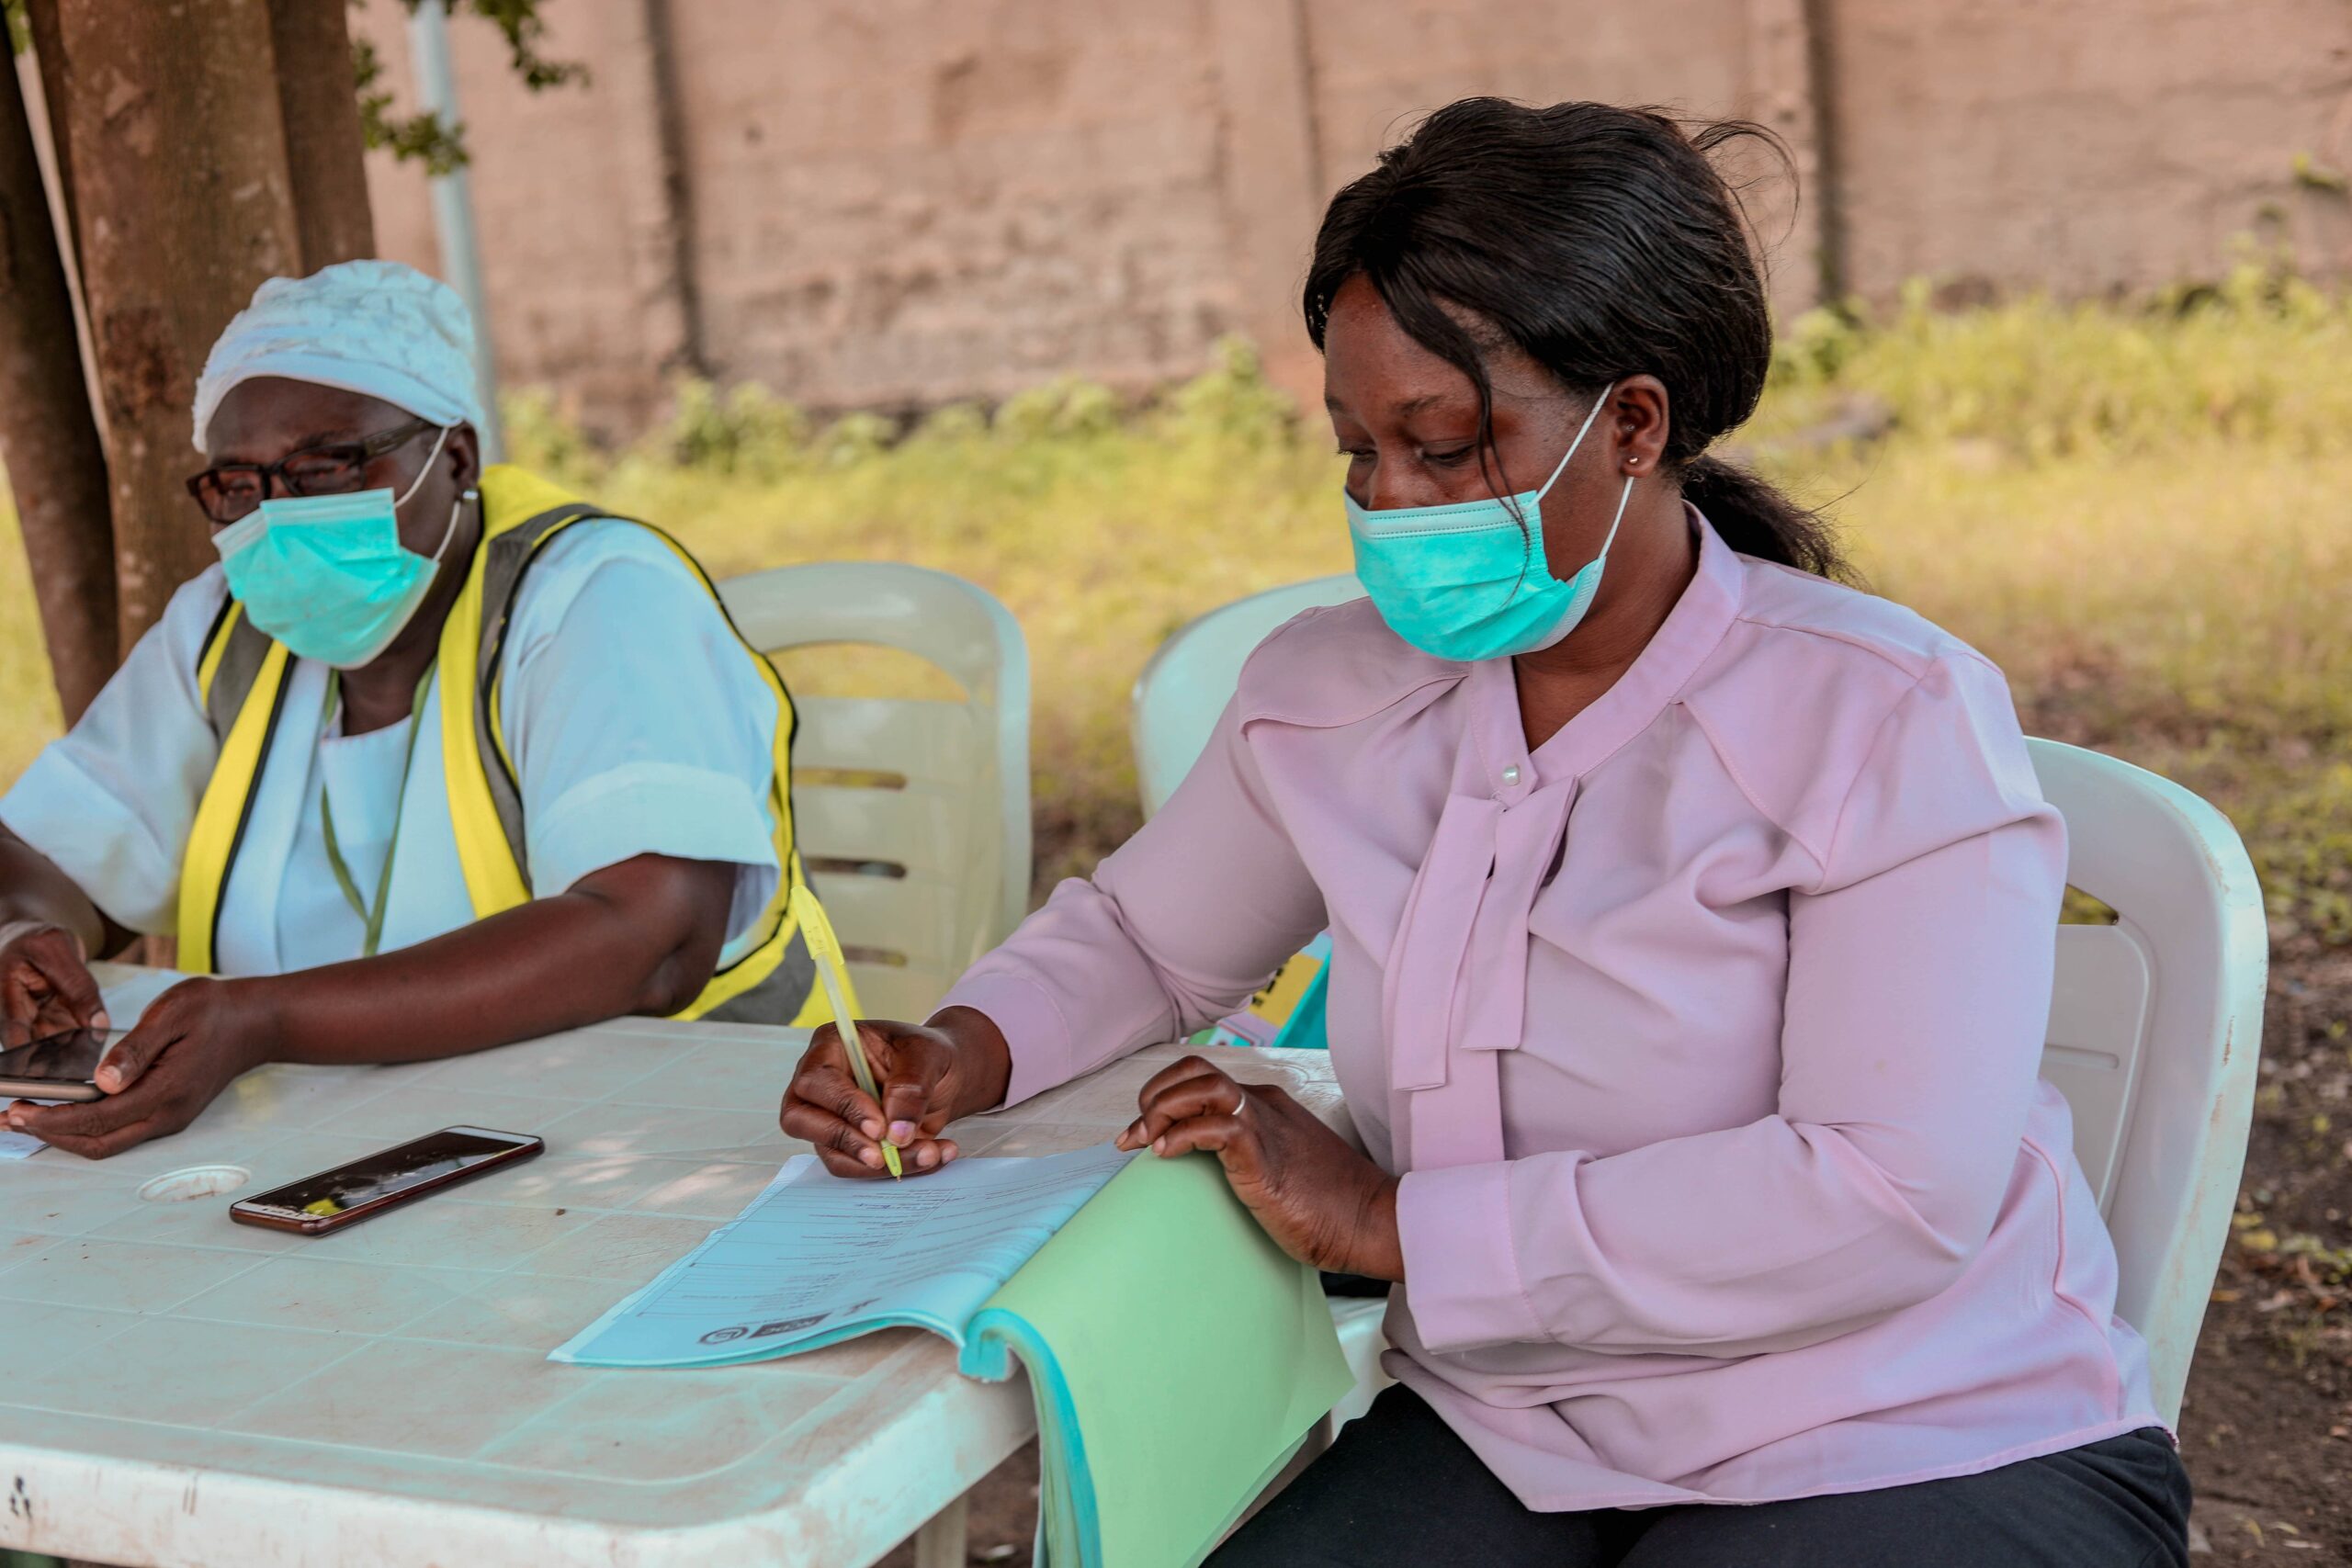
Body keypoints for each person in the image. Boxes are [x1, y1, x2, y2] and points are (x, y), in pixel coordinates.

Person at [781, 100, 2190, 1565]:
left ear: (1633, 424)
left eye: (1446, 447)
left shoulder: (1883, 718)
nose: (1390, 502)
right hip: (1519, 1428)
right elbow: (1146, 937)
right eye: (1356, 450)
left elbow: (1888, 1191)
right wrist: (957, 1048)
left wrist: (1392, 1222)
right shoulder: (1329, 697)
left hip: (1909, 1431)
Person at [1, 259, 830, 1159]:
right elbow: (52, 855)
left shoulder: (595, 598)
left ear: (457, 456)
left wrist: (268, 1019)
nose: (279, 518)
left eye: (325, 465)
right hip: (333, 1152)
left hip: (676, 1141)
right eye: (239, 484)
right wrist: (20, 934)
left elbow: (650, 935)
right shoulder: (224, 630)